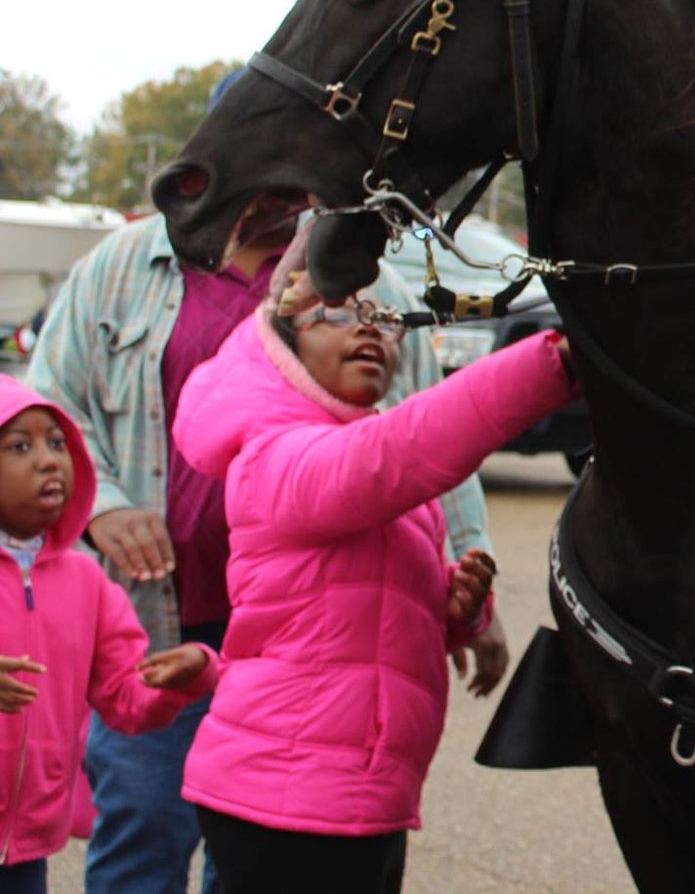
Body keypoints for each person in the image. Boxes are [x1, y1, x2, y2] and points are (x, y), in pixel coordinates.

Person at [24, 201, 504, 894]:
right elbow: (52, 395)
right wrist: (105, 507)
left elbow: (427, 431)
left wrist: (467, 570)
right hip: (164, 622)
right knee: (141, 830)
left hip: (307, 649)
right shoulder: (124, 262)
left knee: (258, 855)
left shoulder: (363, 276)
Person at [169, 233, 579, 893]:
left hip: (361, 797)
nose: (368, 328)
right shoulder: (276, 457)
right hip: (288, 800)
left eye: (384, 318)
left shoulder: (366, 471)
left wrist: (454, 609)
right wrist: (557, 362)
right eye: (334, 313)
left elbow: (370, 602)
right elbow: (398, 452)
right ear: (282, 349)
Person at [0, 376, 221, 894]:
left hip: (27, 845)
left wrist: (186, 674)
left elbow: (125, 697)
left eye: (58, 443)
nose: (50, 461)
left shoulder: (87, 584)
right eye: (19, 446)